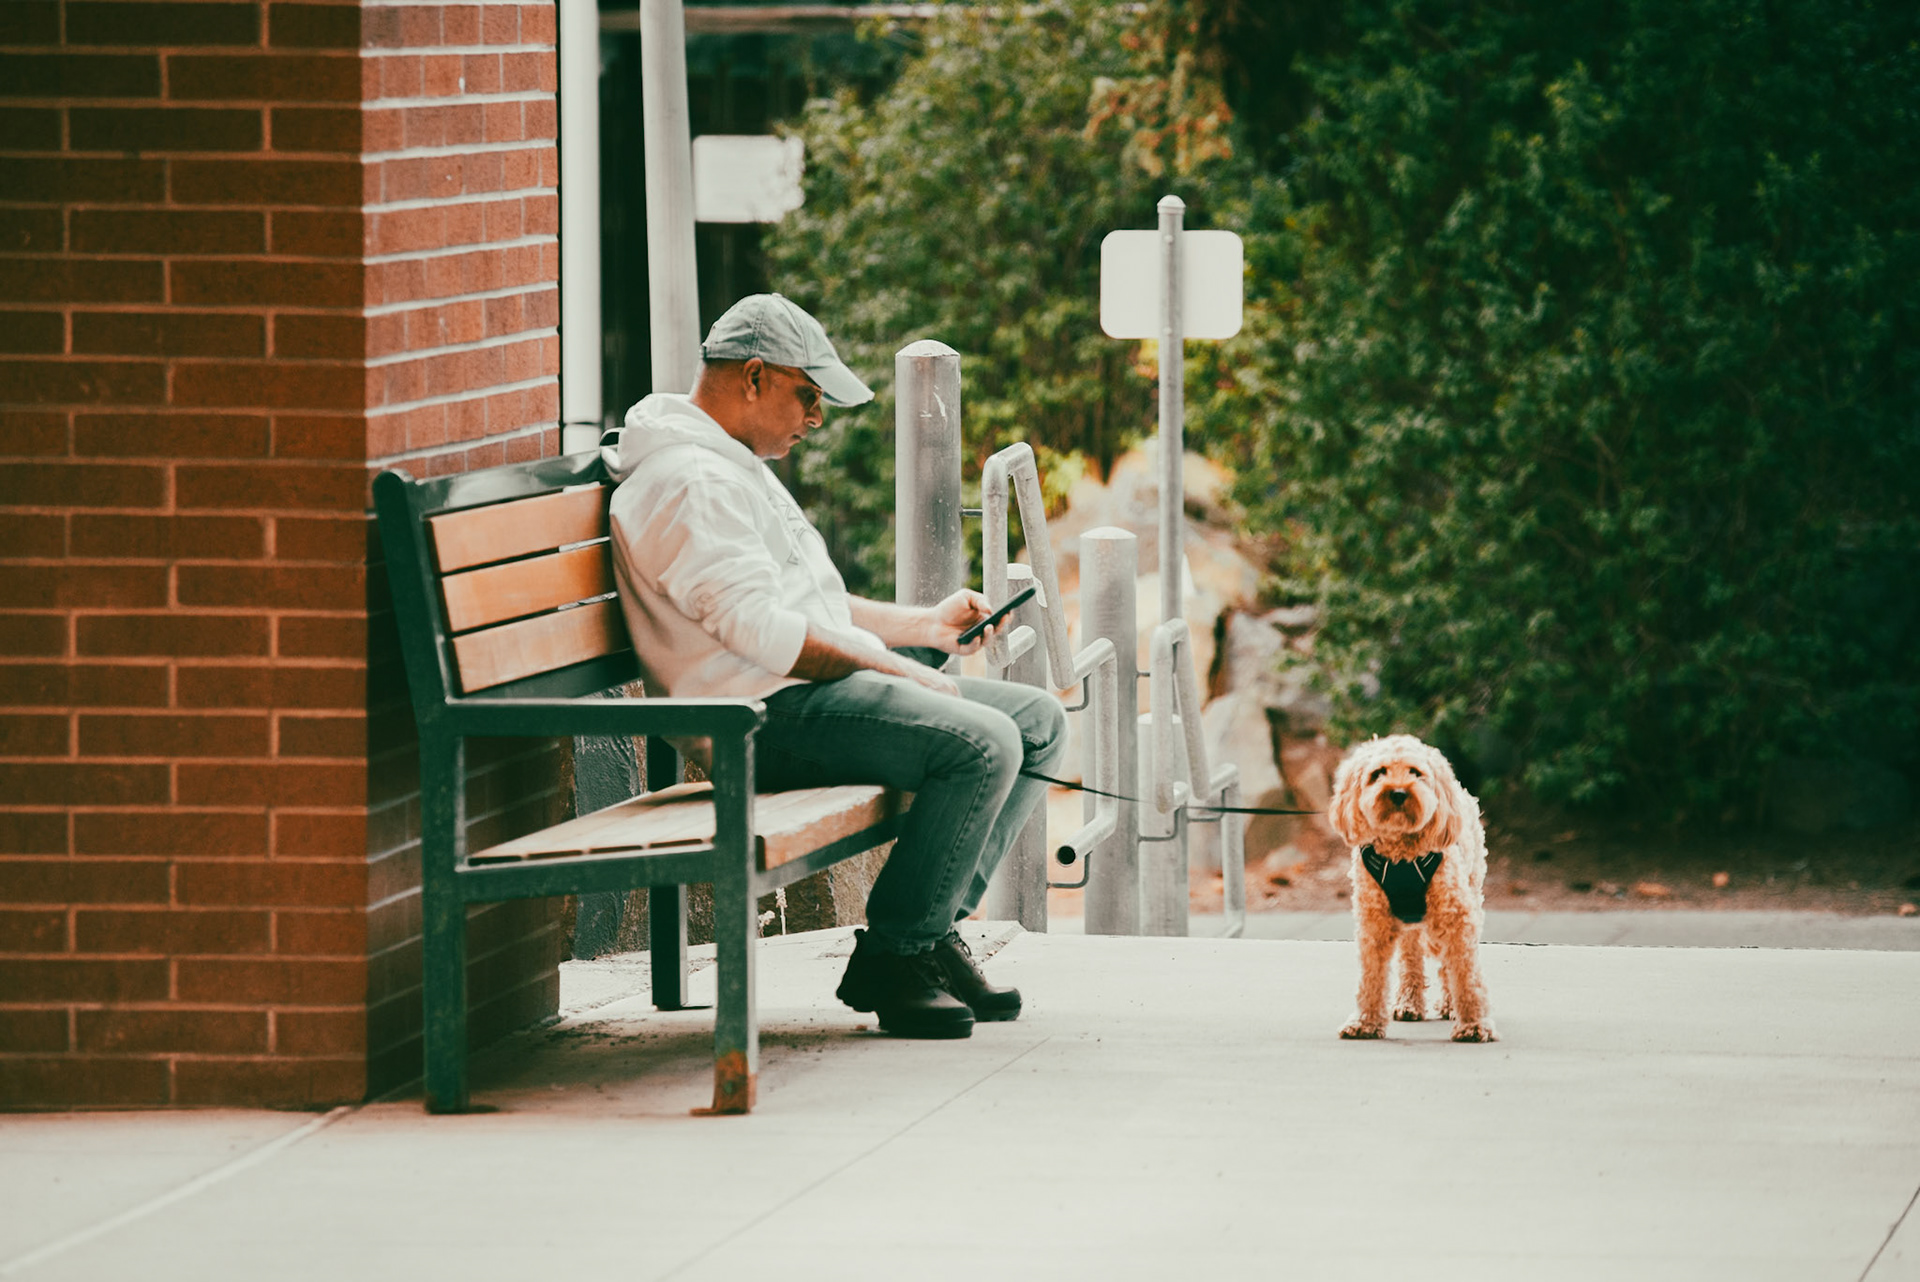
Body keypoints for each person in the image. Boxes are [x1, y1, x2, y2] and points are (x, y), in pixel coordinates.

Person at [606, 293, 1068, 1039]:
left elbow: (805, 605)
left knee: (1038, 723)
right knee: (983, 744)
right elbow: (762, 632)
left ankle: (928, 932)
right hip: (756, 718)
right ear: (753, 377)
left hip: (803, 697)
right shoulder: (690, 482)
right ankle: (896, 954)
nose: (816, 419)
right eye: (808, 395)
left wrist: (922, 628)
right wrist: (900, 668)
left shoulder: (730, 466)